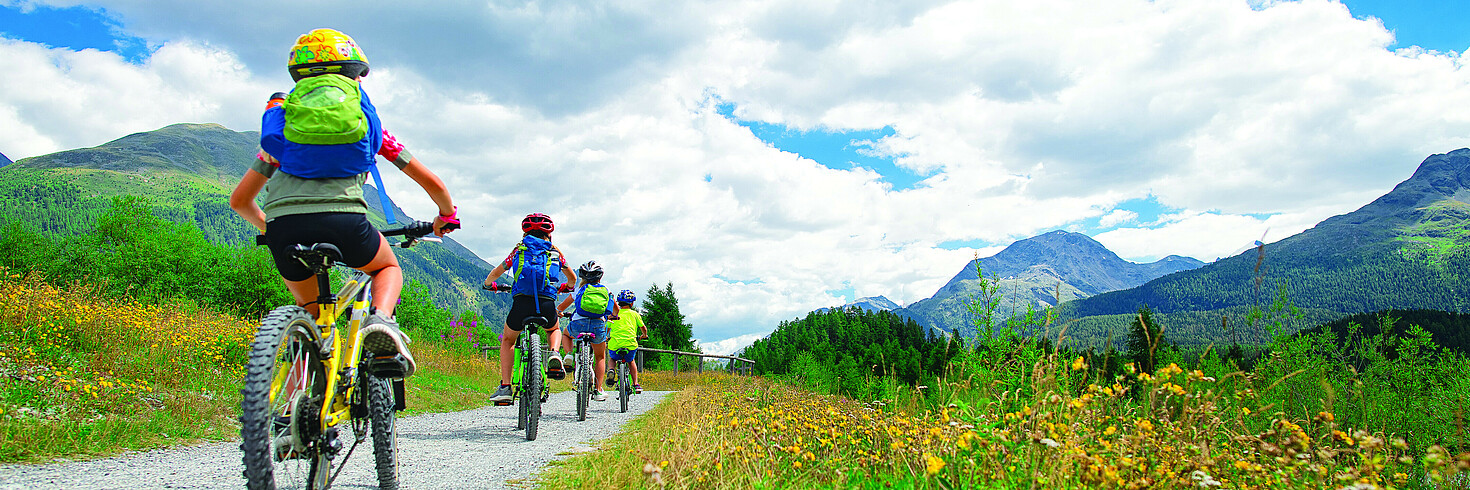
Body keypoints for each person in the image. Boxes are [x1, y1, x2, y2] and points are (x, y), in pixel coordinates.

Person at [230, 28, 458, 378]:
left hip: (284, 229)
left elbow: (240, 201)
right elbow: (434, 184)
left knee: (310, 317)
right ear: (355, 80)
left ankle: (289, 409)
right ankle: (380, 322)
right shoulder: (367, 127)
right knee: (386, 268)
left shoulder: (284, 130)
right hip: (346, 223)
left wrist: (269, 227)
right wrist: (446, 216)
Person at [481, 213, 576, 402]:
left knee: (508, 340)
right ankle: (555, 353)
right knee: (554, 328)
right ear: (549, 234)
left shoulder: (519, 249)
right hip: (546, 302)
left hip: (521, 302)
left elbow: (497, 272)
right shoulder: (554, 251)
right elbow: (572, 278)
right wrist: (568, 288)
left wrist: (488, 284)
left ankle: (506, 387)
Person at [557, 261, 618, 401]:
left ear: (582, 277)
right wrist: (612, 315)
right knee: (600, 357)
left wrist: (559, 312)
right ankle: (597, 389)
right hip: (598, 325)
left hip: (578, 323)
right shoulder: (606, 290)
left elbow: (562, 306)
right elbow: (616, 310)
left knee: (566, 334)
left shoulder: (579, 290)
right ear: (600, 277)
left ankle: (570, 354)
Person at [604, 289, 648, 394]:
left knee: (612, 359)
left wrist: (605, 336)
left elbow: (607, 328)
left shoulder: (614, 315)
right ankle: (635, 384)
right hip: (630, 344)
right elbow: (643, 328)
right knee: (631, 361)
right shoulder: (635, 314)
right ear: (632, 303)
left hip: (615, 344)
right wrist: (644, 335)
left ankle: (611, 370)